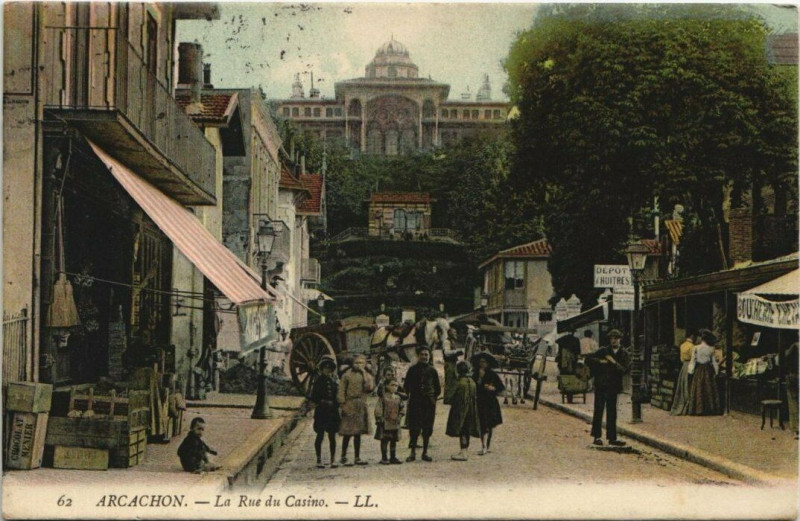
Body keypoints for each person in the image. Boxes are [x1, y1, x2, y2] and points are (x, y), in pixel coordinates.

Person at [585, 329, 630, 446]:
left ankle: (612, 438)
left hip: (613, 386)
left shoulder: (624, 354)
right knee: (598, 410)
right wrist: (601, 362)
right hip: (601, 384)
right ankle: (596, 436)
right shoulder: (603, 350)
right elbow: (588, 360)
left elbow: (624, 370)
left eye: (616, 338)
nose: (614, 340)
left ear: (620, 339)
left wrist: (612, 362)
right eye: (612, 338)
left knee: (612, 412)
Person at [404, 346, 441, 462]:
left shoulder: (432, 370)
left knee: (427, 427)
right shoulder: (412, 370)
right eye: (422, 354)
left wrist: (431, 397)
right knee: (414, 427)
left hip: (429, 403)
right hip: (415, 402)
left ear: (429, 356)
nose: (424, 357)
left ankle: (425, 452)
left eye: (426, 355)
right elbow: (406, 386)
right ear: (418, 356)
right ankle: (412, 452)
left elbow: (438, 389)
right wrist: (414, 395)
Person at [337, 354, 374, 466]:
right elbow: (341, 390)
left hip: (360, 404)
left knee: (358, 433)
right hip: (350, 404)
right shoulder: (346, 376)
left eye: (361, 363)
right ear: (352, 364)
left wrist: (364, 374)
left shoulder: (366, 375)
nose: (359, 365)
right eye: (356, 363)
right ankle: (343, 456)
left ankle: (357, 457)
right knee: (348, 432)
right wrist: (342, 404)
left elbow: (369, 388)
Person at [445, 361, 481, 461]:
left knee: (462, 430)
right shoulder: (472, 382)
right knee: (467, 429)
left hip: (460, 410)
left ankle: (463, 452)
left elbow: (450, 398)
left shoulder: (459, 382)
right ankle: (464, 451)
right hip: (471, 410)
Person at [309, 355, 340, 468]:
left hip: (332, 412)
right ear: (321, 369)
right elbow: (314, 397)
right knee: (320, 435)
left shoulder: (334, 382)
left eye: (329, 368)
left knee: (332, 436)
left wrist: (336, 404)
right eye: (325, 368)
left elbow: (337, 397)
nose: (327, 370)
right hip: (322, 412)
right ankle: (319, 459)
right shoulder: (318, 382)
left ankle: (333, 459)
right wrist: (323, 402)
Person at [471, 352, 504, 455]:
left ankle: (487, 445)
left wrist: (492, 388)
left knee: (490, 424)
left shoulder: (492, 374)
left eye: (484, 362)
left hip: (490, 402)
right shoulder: (475, 374)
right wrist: (480, 380)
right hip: (480, 401)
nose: (482, 364)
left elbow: (501, 388)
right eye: (480, 362)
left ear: (488, 363)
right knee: (482, 424)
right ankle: (483, 445)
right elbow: (472, 387)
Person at [686, 329, 721, 415]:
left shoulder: (696, 348)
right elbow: (714, 362)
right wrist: (716, 372)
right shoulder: (711, 349)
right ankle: (709, 408)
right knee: (709, 388)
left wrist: (690, 372)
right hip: (708, 370)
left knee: (698, 388)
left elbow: (693, 361)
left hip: (699, 369)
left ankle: (698, 409)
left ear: (702, 339)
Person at [374, 376, 404, 465]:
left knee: (394, 440)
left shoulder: (398, 398)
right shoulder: (383, 398)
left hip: (395, 422)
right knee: (385, 440)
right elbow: (378, 409)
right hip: (385, 422)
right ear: (387, 386)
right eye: (392, 385)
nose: (394, 387)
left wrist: (400, 416)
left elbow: (402, 408)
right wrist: (379, 417)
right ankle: (384, 457)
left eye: (396, 386)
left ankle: (393, 457)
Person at [670, 330, 697, 416]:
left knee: (682, 385)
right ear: (692, 336)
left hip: (684, 366)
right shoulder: (692, 346)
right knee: (688, 385)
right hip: (690, 365)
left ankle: (680, 404)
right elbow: (694, 359)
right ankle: (687, 405)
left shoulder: (682, 345)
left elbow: (681, 359)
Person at [784, 342, 798, 439]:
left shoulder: (795, 346)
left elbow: (785, 356)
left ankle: (796, 429)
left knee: (793, 403)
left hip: (794, 376)